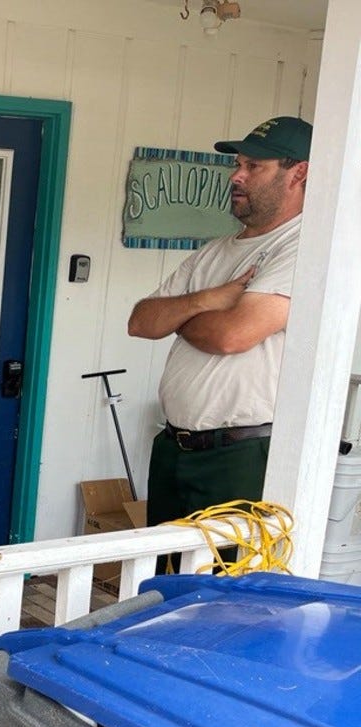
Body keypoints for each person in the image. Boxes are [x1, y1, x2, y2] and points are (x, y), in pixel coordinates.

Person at [127, 116, 311, 526]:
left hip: (239, 455)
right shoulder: (215, 252)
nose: (237, 176)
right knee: (165, 579)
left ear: (298, 173)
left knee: (228, 580)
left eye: (254, 167)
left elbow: (232, 335)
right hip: (174, 446)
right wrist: (209, 298)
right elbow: (141, 321)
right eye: (238, 164)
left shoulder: (301, 247)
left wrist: (179, 317)